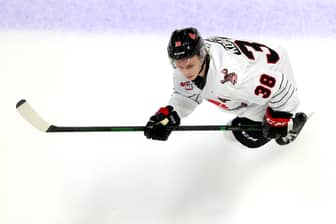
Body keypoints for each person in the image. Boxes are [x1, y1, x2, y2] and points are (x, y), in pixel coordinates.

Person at [144, 27, 307, 148]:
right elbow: (187, 94)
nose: (185, 72)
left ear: (202, 55)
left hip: (274, 78)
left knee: (244, 137)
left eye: (189, 66)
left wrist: (279, 118)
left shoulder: (233, 76)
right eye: (179, 66)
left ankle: (292, 127)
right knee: (236, 131)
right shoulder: (188, 59)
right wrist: (170, 115)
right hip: (254, 81)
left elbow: (283, 89)